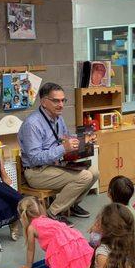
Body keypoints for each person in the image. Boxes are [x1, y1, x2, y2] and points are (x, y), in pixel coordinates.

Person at [18, 82, 99, 226]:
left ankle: (71, 205)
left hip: (56, 165)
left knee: (94, 172)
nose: (61, 104)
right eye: (56, 100)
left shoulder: (58, 118)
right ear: (43, 102)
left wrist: (85, 138)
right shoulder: (32, 124)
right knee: (85, 176)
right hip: (37, 172)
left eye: (63, 100)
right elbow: (35, 158)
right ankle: (52, 212)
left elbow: (64, 137)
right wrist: (63, 148)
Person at [16, 196, 93, 268]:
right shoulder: (47, 219)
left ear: (23, 216)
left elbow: (30, 249)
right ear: (39, 208)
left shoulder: (31, 228)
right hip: (74, 238)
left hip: (60, 246)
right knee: (77, 258)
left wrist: (28, 266)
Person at [89, 176, 135, 253]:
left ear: (109, 192)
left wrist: (95, 229)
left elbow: (103, 232)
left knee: (94, 236)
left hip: (125, 251)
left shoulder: (113, 212)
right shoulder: (129, 207)